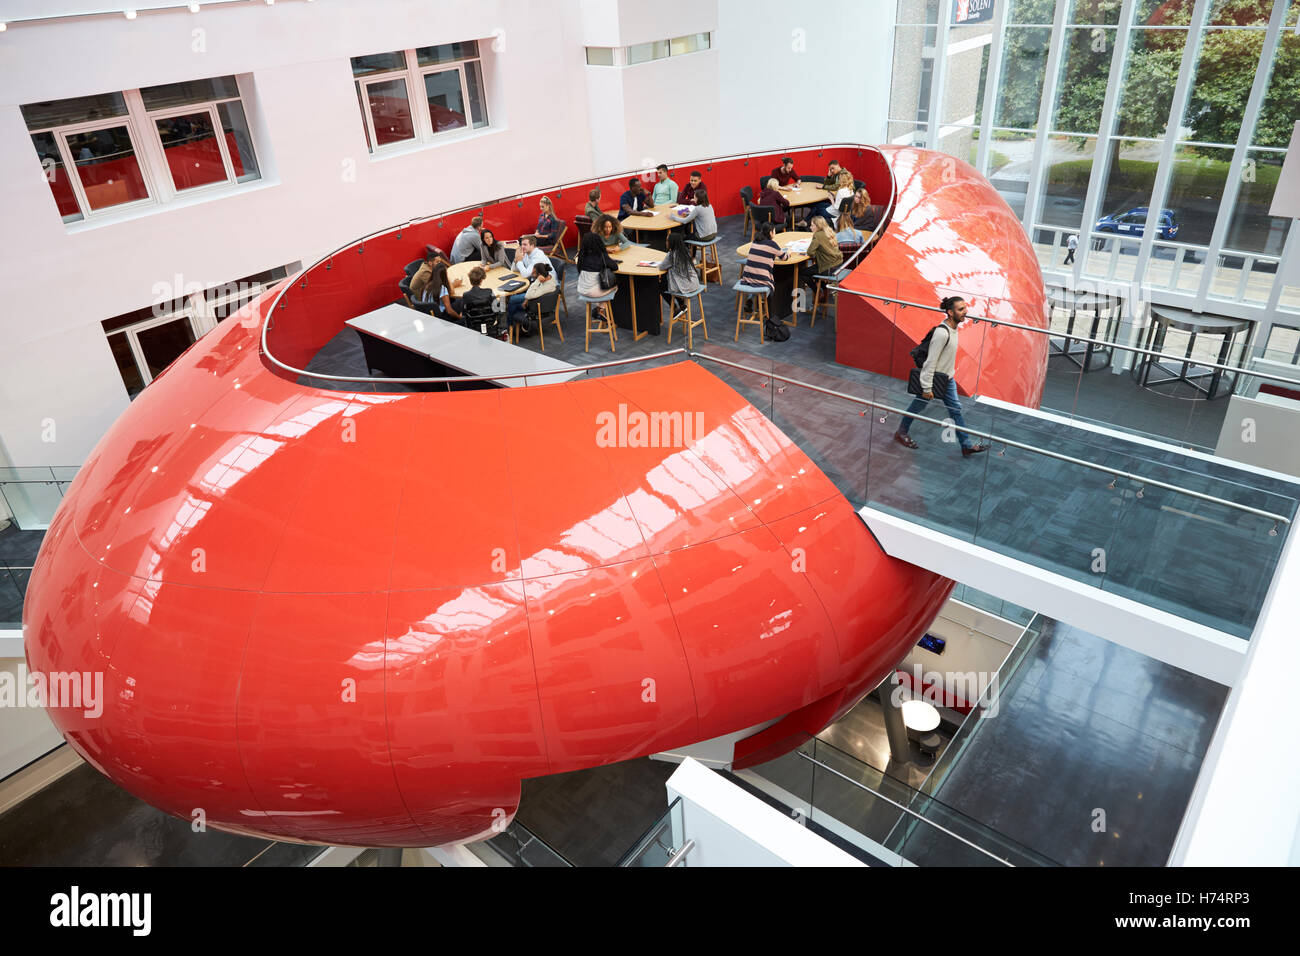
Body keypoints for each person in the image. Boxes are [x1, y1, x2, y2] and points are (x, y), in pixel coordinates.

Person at [894, 296, 989, 457]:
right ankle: (901, 432)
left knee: (955, 410)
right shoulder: (942, 333)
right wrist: (926, 387)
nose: (965, 311)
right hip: (934, 381)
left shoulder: (954, 328)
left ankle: (966, 446)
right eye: (961, 309)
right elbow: (930, 362)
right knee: (918, 406)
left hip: (946, 380)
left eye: (965, 308)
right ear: (950, 312)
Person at [576, 230, 620, 322]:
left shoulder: (581, 255)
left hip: (581, 289)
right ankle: (601, 309)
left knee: (598, 284)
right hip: (593, 292)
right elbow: (615, 267)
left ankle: (599, 310)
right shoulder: (601, 255)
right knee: (615, 286)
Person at [506, 236, 549, 320]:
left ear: (532, 245)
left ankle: (513, 323)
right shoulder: (526, 254)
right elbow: (514, 270)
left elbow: (525, 274)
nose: (522, 247)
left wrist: (519, 261)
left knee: (512, 299)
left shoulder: (538, 256)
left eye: (525, 244)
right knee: (512, 293)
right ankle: (520, 319)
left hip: (544, 288)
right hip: (534, 284)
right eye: (522, 244)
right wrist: (516, 259)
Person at [739, 221, 789, 293]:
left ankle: (753, 299)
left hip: (747, 277)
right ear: (771, 233)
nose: (775, 233)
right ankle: (764, 301)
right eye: (774, 231)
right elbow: (784, 258)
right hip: (761, 279)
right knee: (770, 282)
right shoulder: (772, 244)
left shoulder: (755, 241)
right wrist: (789, 253)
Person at [657, 233, 703, 310]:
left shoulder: (671, 255)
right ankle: (682, 305)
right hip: (694, 284)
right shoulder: (685, 251)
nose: (666, 242)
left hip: (685, 287)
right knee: (669, 280)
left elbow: (661, 267)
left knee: (661, 287)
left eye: (667, 241)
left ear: (672, 242)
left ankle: (675, 309)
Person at [515, 261, 557, 336]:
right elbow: (529, 296)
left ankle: (513, 328)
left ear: (540, 275)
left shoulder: (546, 287)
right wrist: (526, 300)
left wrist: (537, 281)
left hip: (539, 309)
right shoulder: (549, 277)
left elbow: (528, 295)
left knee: (512, 301)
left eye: (534, 272)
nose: (531, 274)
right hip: (540, 302)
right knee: (516, 300)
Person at [806, 216, 844, 281]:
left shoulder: (817, 235)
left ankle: (817, 290)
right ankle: (823, 288)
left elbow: (810, 252)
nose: (810, 227)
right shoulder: (829, 231)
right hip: (838, 264)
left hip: (828, 267)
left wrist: (818, 254)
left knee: (802, 273)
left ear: (818, 226)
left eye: (812, 225)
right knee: (813, 269)